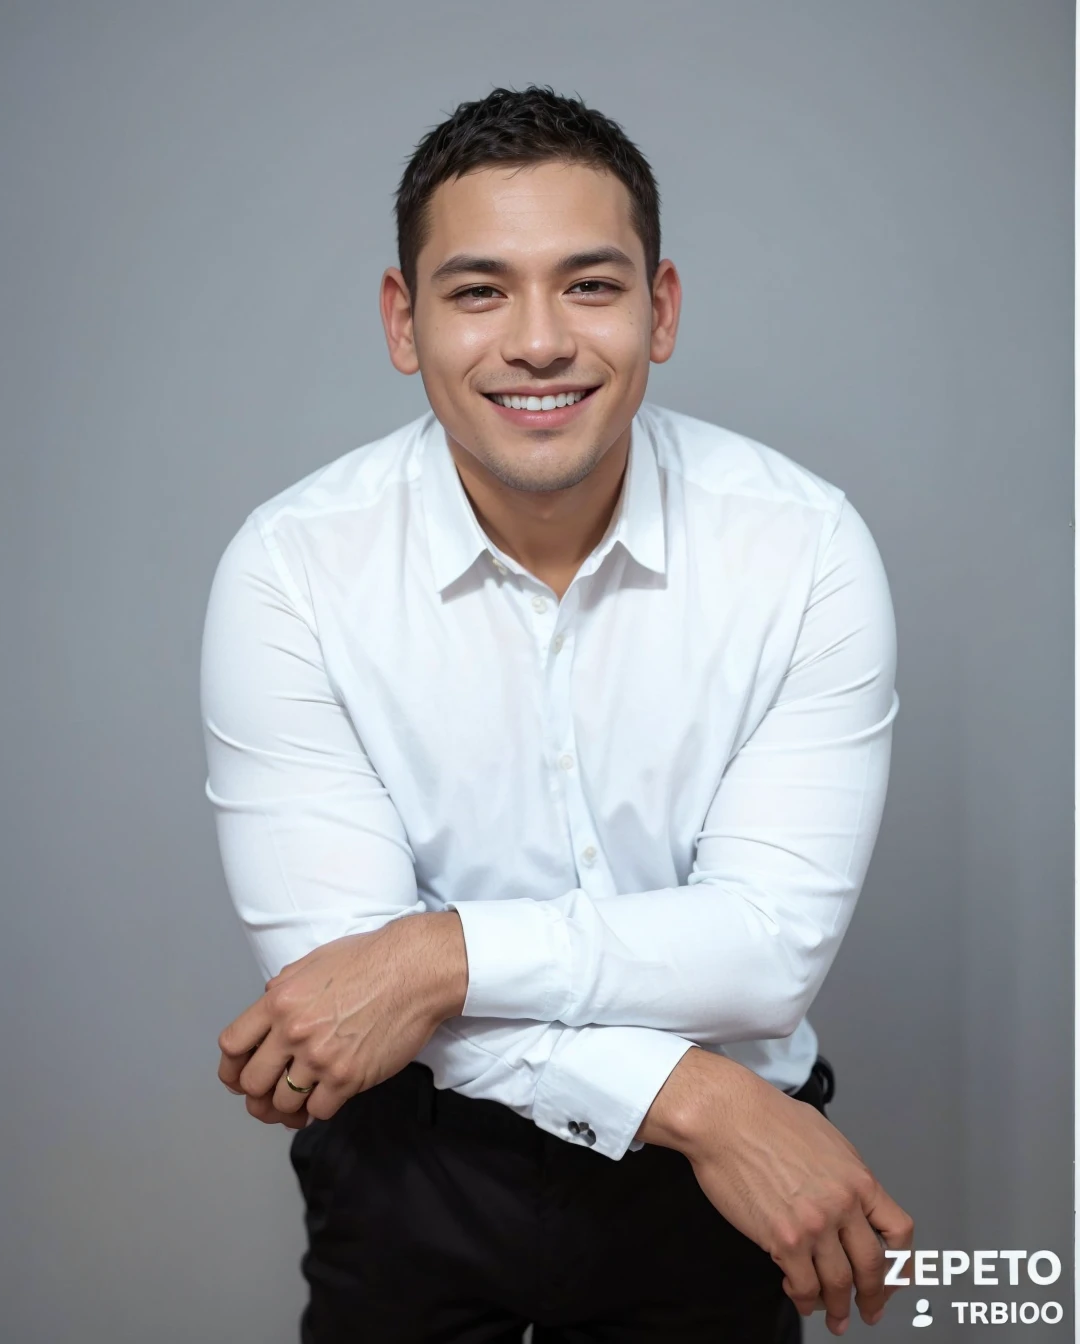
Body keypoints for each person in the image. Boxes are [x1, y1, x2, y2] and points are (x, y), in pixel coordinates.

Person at [201, 85, 913, 1343]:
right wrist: (699, 1098)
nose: (539, 341)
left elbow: (766, 948)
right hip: (424, 1157)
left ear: (663, 308)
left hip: (712, 1204)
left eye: (590, 285)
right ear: (401, 321)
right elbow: (333, 989)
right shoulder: (291, 569)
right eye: (479, 291)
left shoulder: (802, 547)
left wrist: (436, 957)